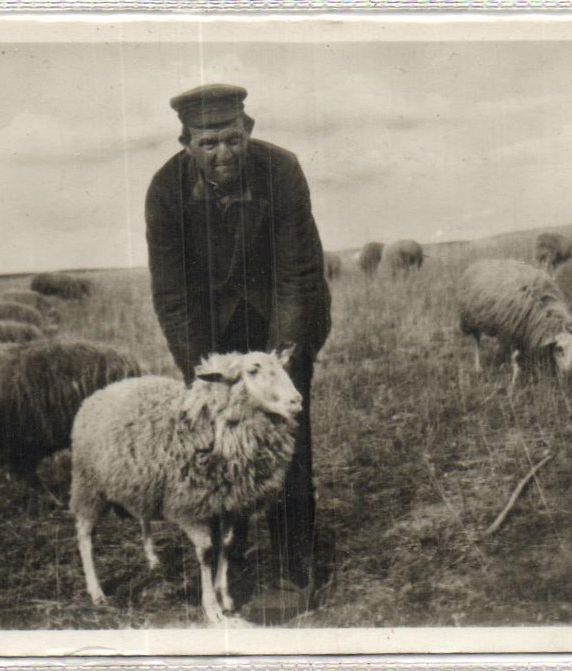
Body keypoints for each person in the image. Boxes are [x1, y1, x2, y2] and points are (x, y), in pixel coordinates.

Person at [144, 83, 332, 600]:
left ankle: (292, 569)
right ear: (187, 143)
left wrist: (281, 364)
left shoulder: (282, 171)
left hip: (283, 316)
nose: (222, 153)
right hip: (212, 334)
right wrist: (205, 372)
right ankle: (234, 557)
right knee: (221, 443)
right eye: (208, 143)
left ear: (248, 130)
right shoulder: (164, 190)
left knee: (285, 437)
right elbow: (171, 295)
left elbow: (297, 275)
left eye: (232, 139)